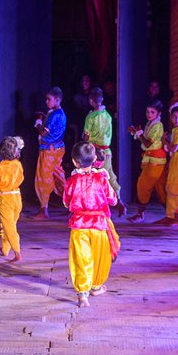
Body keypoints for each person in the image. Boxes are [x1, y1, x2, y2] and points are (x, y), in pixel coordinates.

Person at [64, 142, 120, 308]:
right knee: (100, 257)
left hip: (79, 226)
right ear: (95, 158)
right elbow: (113, 200)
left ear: (74, 161)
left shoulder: (72, 180)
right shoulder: (101, 178)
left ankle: (83, 294)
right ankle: (96, 286)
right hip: (99, 225)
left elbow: (67, 203)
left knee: (81, 259)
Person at [83, 87, 127, 216]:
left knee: (90, 178)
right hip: (106, 152)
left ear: (91, 101)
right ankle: (119, 200)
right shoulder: (108, 116)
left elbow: (86, 136)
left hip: (94, 152)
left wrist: (83, 143)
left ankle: (91, 207)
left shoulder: (91, 117)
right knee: (110, 177)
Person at [127, 100, 167, 222]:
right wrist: (137, 133)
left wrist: (138, 133)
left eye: (152, 112)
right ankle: (173, 215)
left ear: (158, 113)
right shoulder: (151, 123)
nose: (149, 114)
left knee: (142, 185)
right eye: (148, 112)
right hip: (151, 159)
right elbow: (145, 141)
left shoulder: (157, 125)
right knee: (161, 189)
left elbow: (147, 143)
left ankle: (140, 214)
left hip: (155, 161)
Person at [0, 137, 25, 262]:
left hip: (5, 198)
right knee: (10, 224)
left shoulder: (0, 166)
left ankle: (17, 252)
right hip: (17, 196)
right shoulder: (18, 164)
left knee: (9, 226)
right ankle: (5, 249)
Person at [32, 87, 67, 219]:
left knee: (43, 178)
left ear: (57, 100)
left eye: (49, 99)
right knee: (58, 176)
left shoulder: (56, 115)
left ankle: (43, 209)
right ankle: (73, 204)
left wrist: (38, 123)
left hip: (49, 151)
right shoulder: (58, 113)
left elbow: (43, 133)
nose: (46, 101)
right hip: (57, 149)